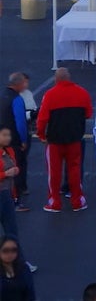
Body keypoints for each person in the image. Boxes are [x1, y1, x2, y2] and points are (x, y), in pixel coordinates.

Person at [36, 67, 92, 213]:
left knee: (54, 172)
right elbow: (88, 113)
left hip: (55, 140)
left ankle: (54, 202)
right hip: (75, 139)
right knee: (74, 169)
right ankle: (77, 201)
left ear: (56, 79)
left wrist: (41, 135)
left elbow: (42, 119)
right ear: (69, 78)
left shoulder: (50, 95)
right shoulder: (82, 92)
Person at [1, 75, 31, 212]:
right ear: (18, 85)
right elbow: (20, 123)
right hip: (13, 141)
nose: (25, 86)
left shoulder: (2, 95)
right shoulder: (17, 99)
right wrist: (23, 140)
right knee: (16, 169)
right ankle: (16, 200)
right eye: (24, 84)